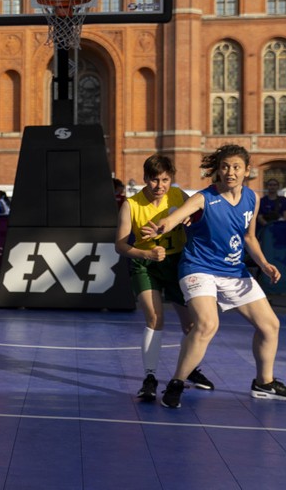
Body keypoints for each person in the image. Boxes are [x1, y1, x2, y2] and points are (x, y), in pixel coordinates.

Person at [141, 144, 286, 409]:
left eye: (236, 167)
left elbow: (249, 237)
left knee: (270, 326)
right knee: (207, 325)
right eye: (225, 166)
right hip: (199, 268)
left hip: (233, 271)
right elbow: (175, 218)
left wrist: (263, 263)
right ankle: (177, 383)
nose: (230, 172)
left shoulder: (252, 198)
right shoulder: (203, 198)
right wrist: (160, 227)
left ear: (247, 171)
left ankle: (264, 383)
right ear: (218, 170)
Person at [114, 155, 214, 402]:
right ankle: (149, 378)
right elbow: (119, 246)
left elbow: (200, 215)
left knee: (192, 325)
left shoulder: (179, 197)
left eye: (165, 180)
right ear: (146, 179)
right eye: (155, 180)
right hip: (145, 264)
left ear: (172, 180)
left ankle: (189, 371)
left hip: (177, 263)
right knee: (155, 318)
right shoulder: (131, 205)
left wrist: (192, 217)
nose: (160, 185)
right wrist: (146, 252)